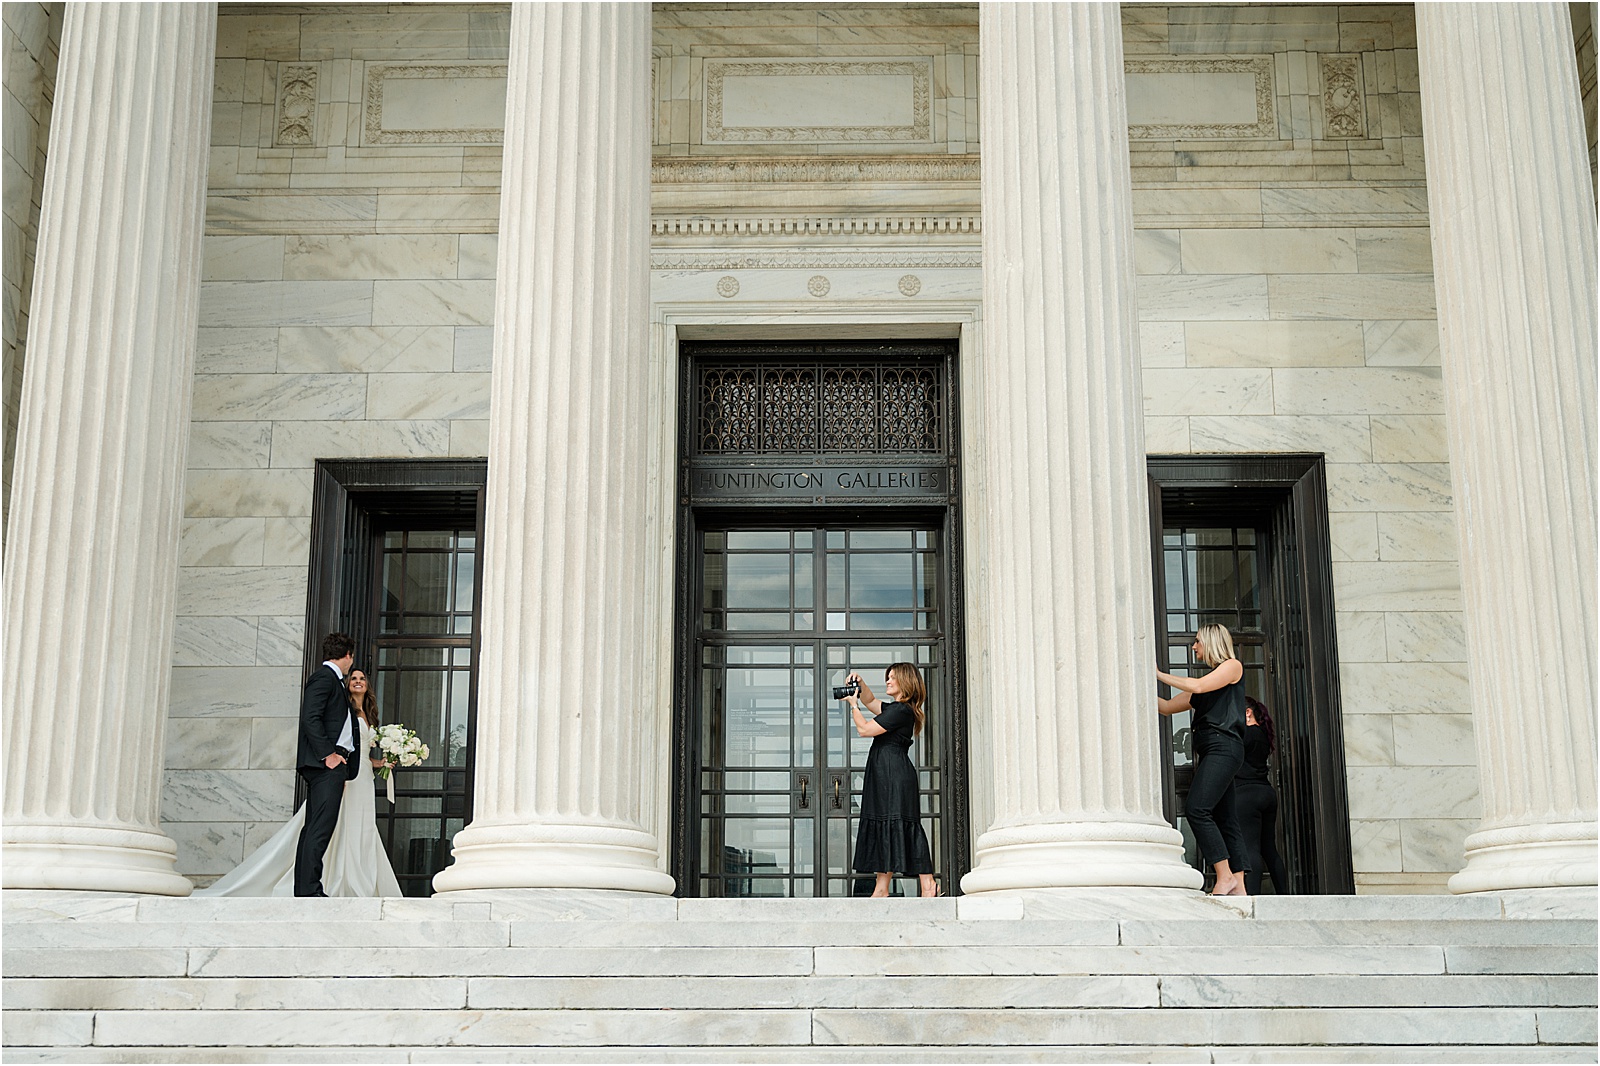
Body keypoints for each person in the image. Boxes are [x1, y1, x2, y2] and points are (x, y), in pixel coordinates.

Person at [199, 662, 401, 898]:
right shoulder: (344, 709)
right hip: (347, 775)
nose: (357, 681)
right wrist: (339, 774)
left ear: (368, 686)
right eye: (353, 678)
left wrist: (382, 763)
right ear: (348, 683)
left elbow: (363, 753)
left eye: (362, 679)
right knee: (339, 824)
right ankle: (339, 878)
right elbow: (331, 734)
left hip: (364, 776)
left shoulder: (370, 714)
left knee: (363, 825)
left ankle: (362, 877)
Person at [1157, 623, 1251, 896]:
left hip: (1224, 748)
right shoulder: (1207, 687)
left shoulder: (1232, 667)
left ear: (1211, 642)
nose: (1194, 646)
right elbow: (1165, 707)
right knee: (1226, 817)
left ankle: (1224, 876)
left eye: (1197, 641)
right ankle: (1239, 886)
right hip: (1215, 751)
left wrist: (1158, 674)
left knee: (1197, 809)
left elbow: (1196, 684)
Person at [841, 663, 938, 898]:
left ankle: (928, 884)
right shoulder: (896, 709)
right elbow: (872, 702)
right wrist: (860, 685)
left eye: (892, 678)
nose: (888, 681)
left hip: (894, 776)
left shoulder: (901, 711)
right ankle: (882, 888)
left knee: (900, 824)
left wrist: (853, 705)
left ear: (905, 682)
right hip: (884, 774)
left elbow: (865, 729)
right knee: (885, 824)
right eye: (888, 677)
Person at [1235, 696, 1290, 895]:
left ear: (1247, 712)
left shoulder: (1245, 735)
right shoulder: (1263, 736)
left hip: (1246, 794)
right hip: (1266, 793)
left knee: (1250, 848)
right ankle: (1284, 895)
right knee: (1269, 848)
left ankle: (1253, 897)